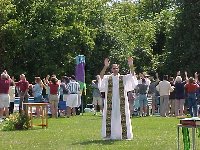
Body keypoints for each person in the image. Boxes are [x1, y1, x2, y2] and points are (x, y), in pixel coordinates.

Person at [98, 57, 137, 140]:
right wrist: (105, 66)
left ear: (118, 69)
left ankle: (124, 135)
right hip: (110, 101)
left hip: (121, 101)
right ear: (111, 69)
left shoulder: (123, 78)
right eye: (113, 68)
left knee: (122, 117)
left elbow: (132, 75)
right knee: (110, 117)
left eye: (116, 68)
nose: (115, 69)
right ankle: (109, 135)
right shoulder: (108, 78)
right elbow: (101, 77)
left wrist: (131, 65)